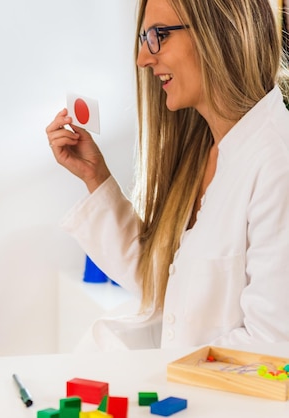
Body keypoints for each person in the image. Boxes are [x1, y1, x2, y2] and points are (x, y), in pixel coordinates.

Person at [46, 0, 289, 351]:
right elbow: (163, 283)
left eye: (159, 35)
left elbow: (271, 345)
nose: (143, 58)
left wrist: (158, 379)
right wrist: (94, 177)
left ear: (221, 31)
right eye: (145, 37)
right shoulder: (206, 151)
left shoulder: (276, 163)